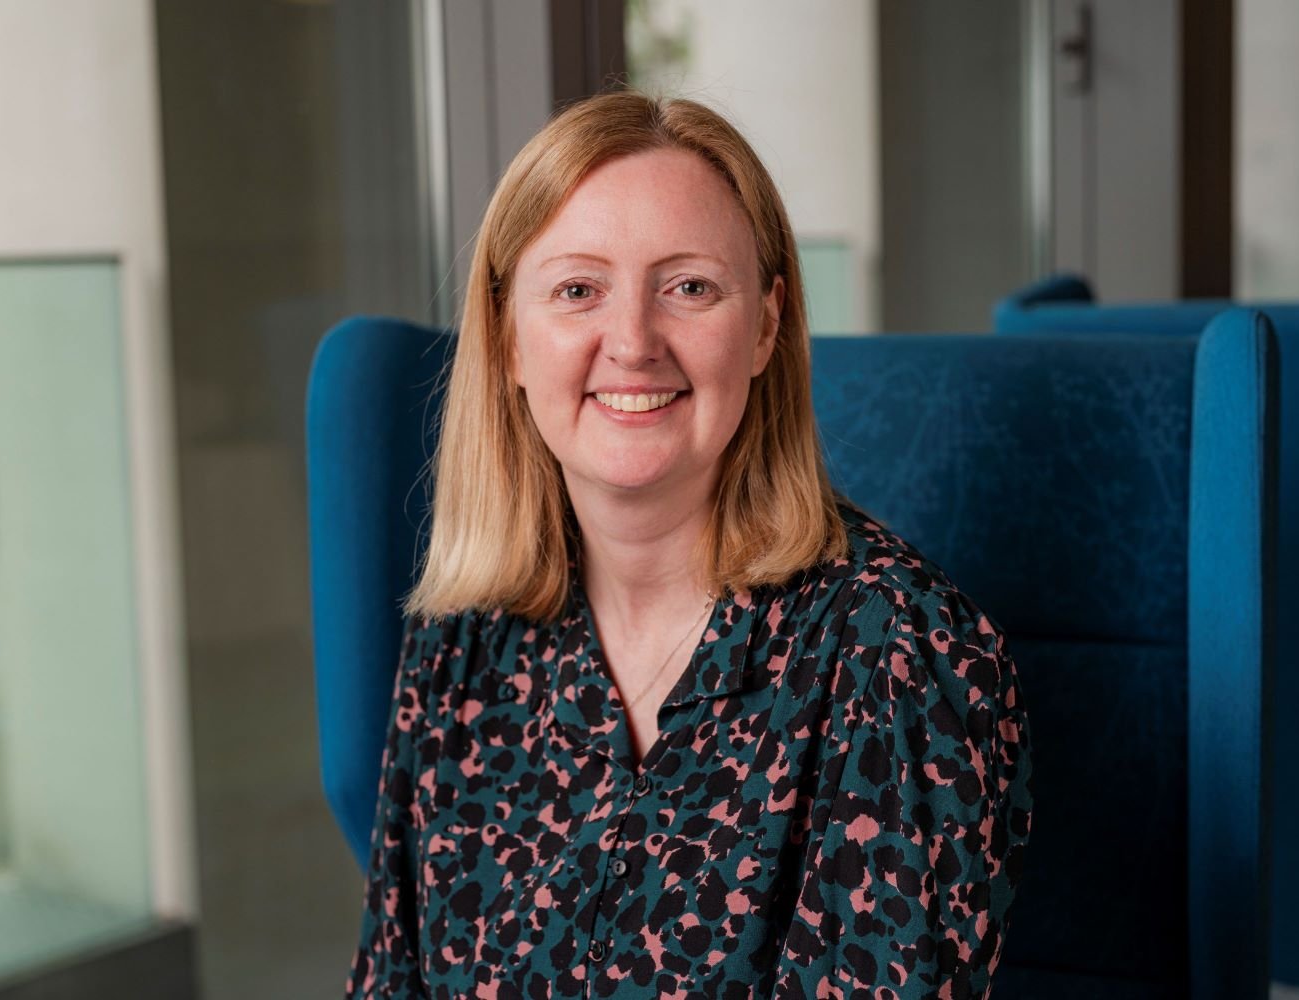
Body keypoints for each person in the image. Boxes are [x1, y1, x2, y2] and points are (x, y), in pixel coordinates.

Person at [344, 89, 1033, 1000]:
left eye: (689, 288)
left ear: (767, 326)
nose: (631, 342)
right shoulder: (461, 643)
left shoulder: (896, 662)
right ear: (508, 338)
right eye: (578, 289)